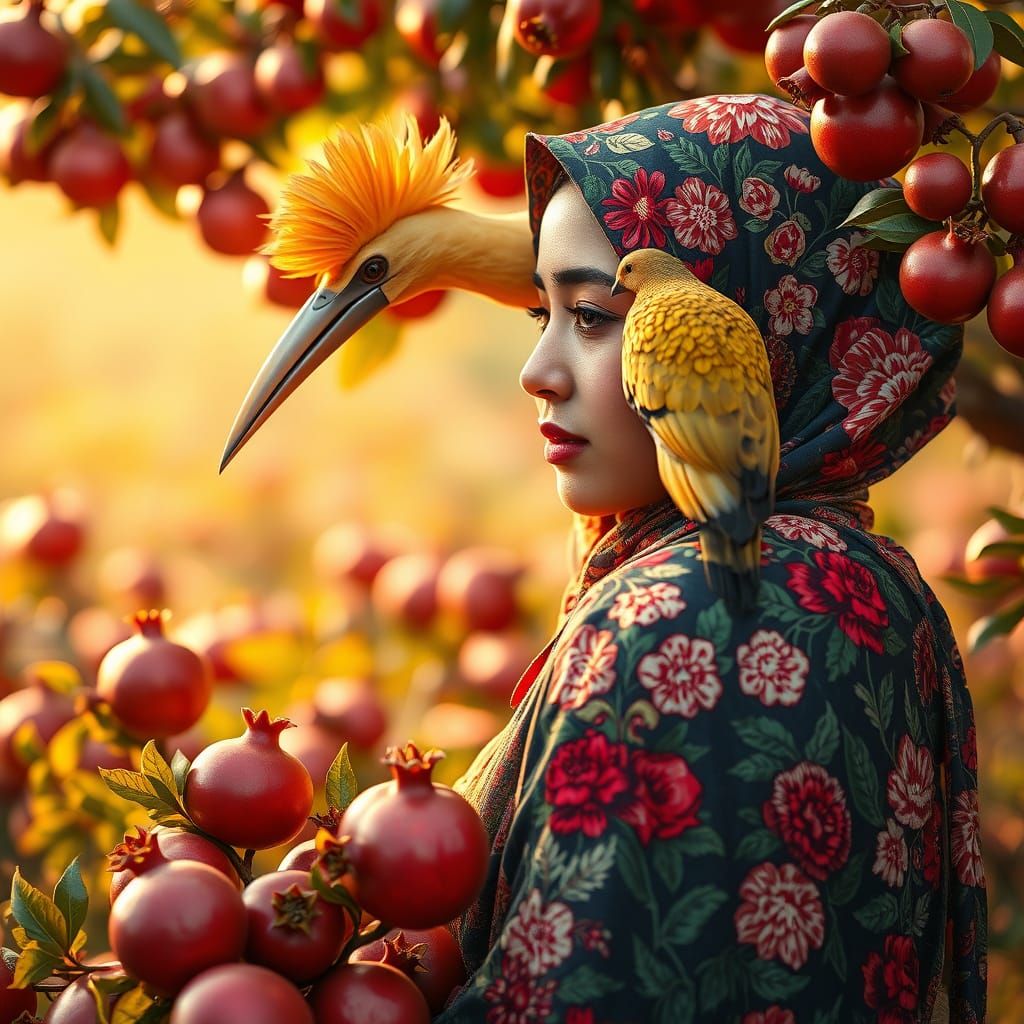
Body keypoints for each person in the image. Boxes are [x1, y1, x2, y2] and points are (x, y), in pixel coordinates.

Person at [433, 95, 986, 1024]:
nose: (539, 369)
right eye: (543, 311)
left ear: (768, 331)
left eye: (597, 316)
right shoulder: (864, 583)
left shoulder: (685, 621)